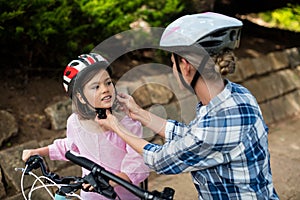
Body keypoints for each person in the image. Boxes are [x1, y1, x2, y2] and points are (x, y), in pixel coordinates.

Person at [96, 12, 279, 199]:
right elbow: (191, 137)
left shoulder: (218, 123)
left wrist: (115, 126)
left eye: (172, 64)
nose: (173, 70)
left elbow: (160, 159)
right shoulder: (237, 95)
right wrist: (140, 114)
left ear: (185, 65)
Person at [22, 53, 149, 199]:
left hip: (124, 196)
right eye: (96, 86)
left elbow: (137, 162)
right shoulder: (75, 123)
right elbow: (68, 146)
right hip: (90, 196)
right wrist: (38, 151)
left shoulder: (127, 122)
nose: (105, 89)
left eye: (108, 83)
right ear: (80, 97)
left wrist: (109, 181)